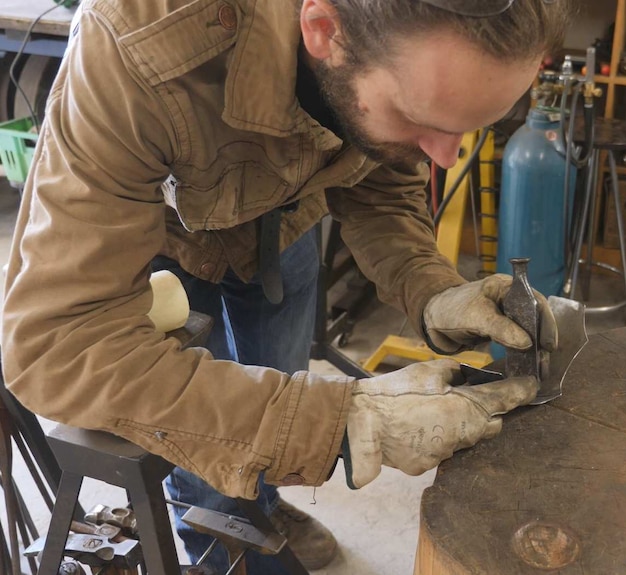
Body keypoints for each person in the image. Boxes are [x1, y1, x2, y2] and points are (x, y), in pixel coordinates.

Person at [1, 0, 572, 571]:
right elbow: (58, 341)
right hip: (158, 232)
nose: (445, 155)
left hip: (286, 220)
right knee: (207, 434)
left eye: (467, 128)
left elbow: (380, 178)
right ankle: (216, 538)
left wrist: (430, 288)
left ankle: (262, 503)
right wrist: (344, 421)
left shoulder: (395, 58)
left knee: (280, 389)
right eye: (419, 118)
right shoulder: (134, 42)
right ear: (325, 31)